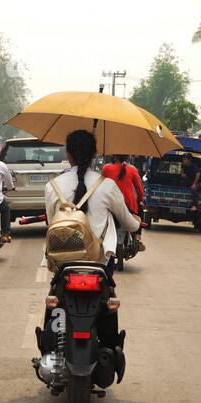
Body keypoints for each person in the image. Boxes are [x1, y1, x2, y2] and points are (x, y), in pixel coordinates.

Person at [40, 130, 141, 350]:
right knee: (108, 304)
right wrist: (137, 223)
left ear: (68, 154)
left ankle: (50, 348)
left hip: (64, 264)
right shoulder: (107, 185)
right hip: (100, 265)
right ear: (95, 154)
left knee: (54, 300)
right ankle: (109, 346)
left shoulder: (52, 186)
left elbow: (51, 222)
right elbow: (128, 221)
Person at [101, 153, 145, 250]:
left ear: (115, 156)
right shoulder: (132, 169)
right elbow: (140, 191)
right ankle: (137, 237)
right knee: (141, 209)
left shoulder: (106, 168)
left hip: (109, 205)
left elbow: (101, 185)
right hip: (129, 207)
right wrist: (139, 201)